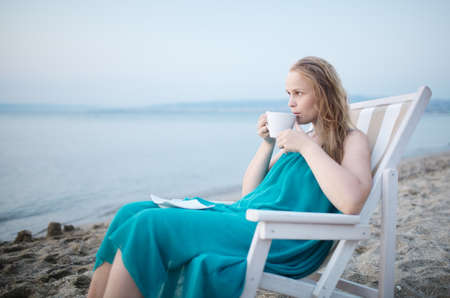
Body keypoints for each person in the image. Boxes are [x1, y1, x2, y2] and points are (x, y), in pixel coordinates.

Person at [87, 56, 373, 298]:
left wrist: (307, 147)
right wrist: (267, 144)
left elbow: (352, 202)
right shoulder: (301, 140)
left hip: (280, 237)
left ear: (323, 93)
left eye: (298, 93)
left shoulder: (350, 140)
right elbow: (251, 193)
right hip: (246, 218)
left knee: (150, 223)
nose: (290, 103)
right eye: (288, 94)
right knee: (130, 212)